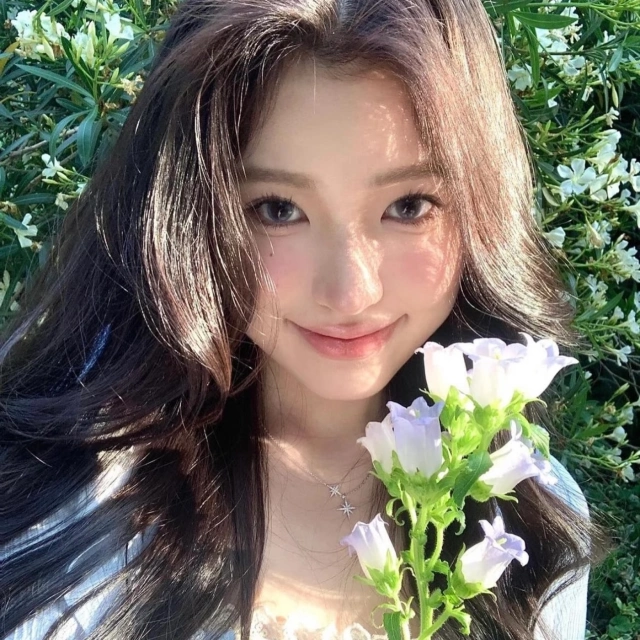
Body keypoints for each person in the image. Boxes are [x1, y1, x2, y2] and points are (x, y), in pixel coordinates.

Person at [0, 0, 613, 639]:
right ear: (190, 217)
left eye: (409, 205)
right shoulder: (68, 523)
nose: (350, 293)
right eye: (277, 209)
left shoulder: (531, 511)